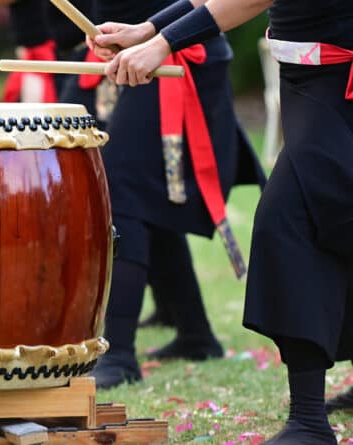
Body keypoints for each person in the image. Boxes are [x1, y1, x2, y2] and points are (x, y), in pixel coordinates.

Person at [89, 1, 353, 443]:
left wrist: (165, 43)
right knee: (335, 230)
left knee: (288, 229)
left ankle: (309, 421)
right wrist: (148, 28)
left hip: (340, 85)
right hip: (311, 85)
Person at [66, 0, 266, 390]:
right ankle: (196, 334)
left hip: (177, 55)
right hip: (142, 48)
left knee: (121, 190)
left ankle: (119, 353)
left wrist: (154, 34)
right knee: (142, 193)